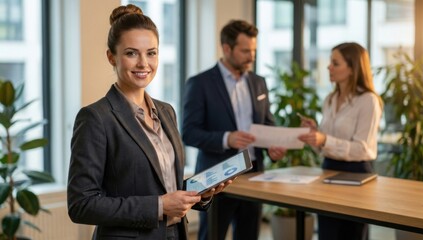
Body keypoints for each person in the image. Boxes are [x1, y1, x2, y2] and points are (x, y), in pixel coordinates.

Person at [67, 4, 231, 240]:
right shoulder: (96, 118)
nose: (144, 63)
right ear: (111, 56)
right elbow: (81, 204)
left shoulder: (166, 112)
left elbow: (163, 185)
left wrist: (200, 193)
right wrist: (159, 207)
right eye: (131, 53)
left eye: (151, 52)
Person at [182, 19, 287, 240]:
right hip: (215, 176)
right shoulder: (200, 83)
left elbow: (267, 123)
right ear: (226, 48)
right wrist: (227, 139)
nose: (252, 57)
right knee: (212, 235)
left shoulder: (259, 82)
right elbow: (189, 132)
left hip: (254, 174)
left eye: (254, 50)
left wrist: (272, 147)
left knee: (249, 235)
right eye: (245, 51)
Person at [298, 42, 383, 240]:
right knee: (327, 234)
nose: (329, 67)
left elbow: (362, 149)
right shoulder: (329, 99)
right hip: (328, 170)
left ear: (353, 68)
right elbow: (327, 144)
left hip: (357, 175)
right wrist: (316, 135)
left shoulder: (368, 100)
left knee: (352, 235)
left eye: (335, 63)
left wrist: (325, 139)